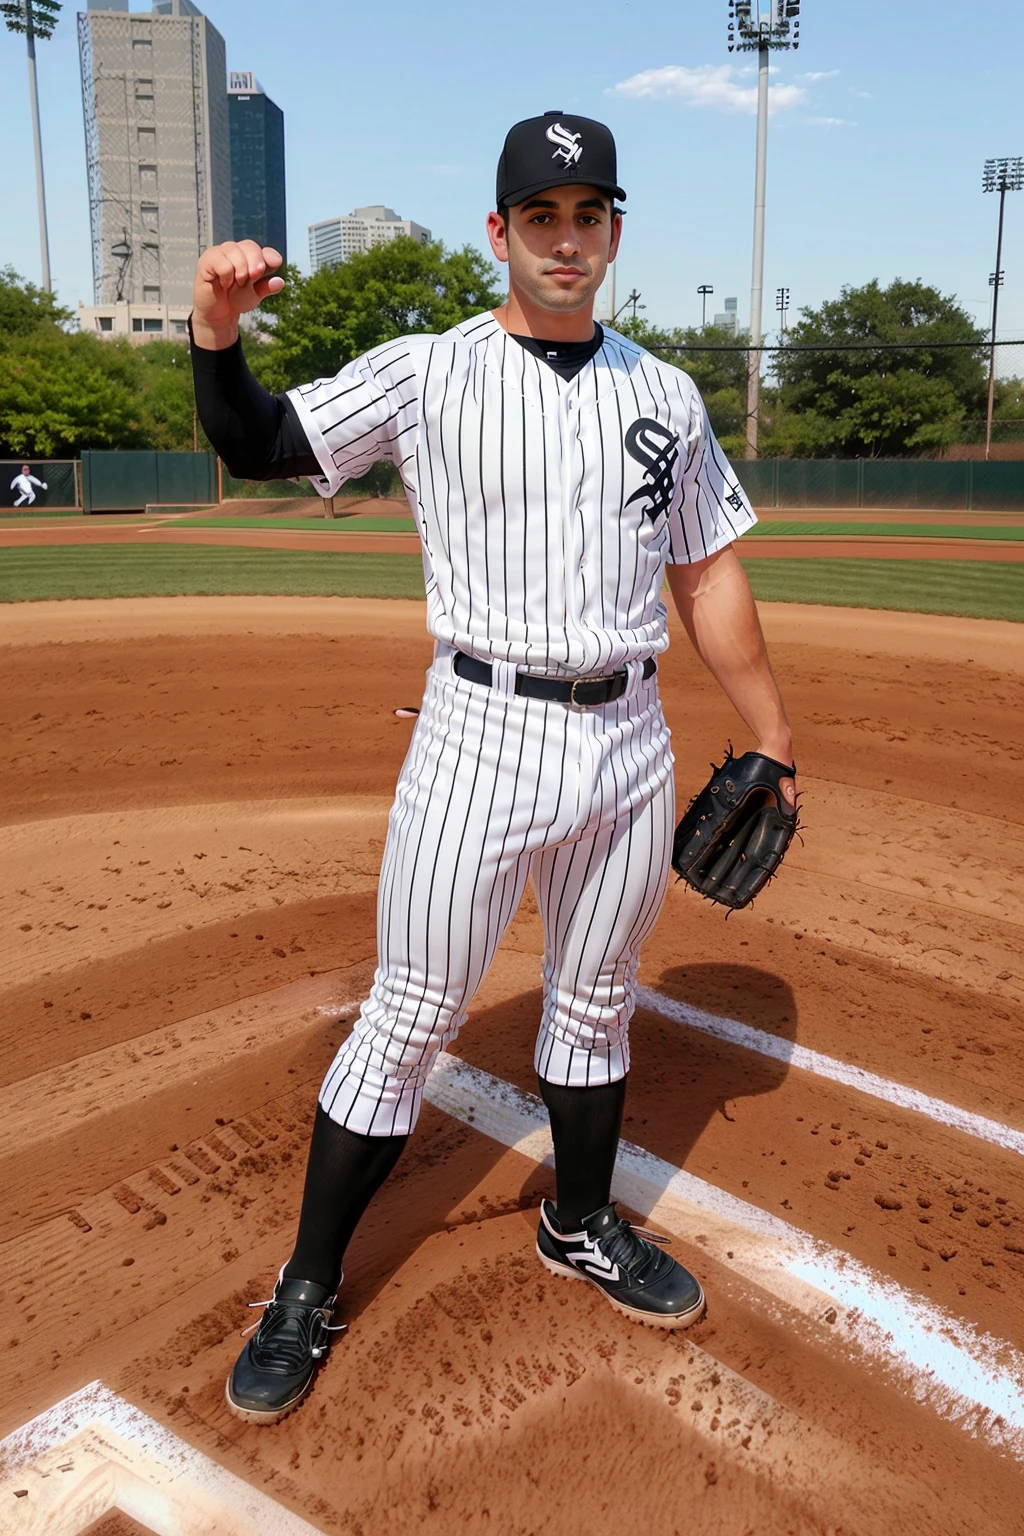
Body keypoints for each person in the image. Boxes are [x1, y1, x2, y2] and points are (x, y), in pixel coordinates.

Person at [189, 110, 796, 1425]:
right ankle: (307, 1284)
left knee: (595, 1000)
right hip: (480, 734)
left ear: (613, 232)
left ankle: (579, 1221)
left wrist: (771, 731)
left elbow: (707, 572)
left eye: (588, 217)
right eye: (542, 218)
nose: (566, 240)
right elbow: (258, 442)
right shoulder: (429, 372)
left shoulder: (666, 394)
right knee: (412, 1011)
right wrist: (216, 335)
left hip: (630, 739)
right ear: (501, 233)